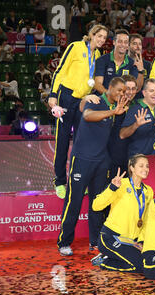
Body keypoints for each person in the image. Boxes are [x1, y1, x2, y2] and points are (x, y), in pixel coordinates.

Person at [56, 77, 129, 257]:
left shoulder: (117, 109)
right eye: (119, 90)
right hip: (82, 159)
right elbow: (87, 116)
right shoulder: (96, 100)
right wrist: (112, 112)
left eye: (124, 91)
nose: (122, 93)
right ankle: (64, 242)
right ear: (109, 88)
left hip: (101, 161)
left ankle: (95, 241)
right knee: (74, 201)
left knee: (97, 202)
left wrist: (117, 113)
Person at [49, 24, 109, 199]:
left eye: (104, 38)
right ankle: (59, 181)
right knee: (62, 141)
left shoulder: (97, 55)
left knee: (80, 143)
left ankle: (77, 181)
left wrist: (90, 96)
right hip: (66, 97)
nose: (101, 40)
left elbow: (91, 82)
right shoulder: (75, 47)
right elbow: (60, 71)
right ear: (91, 34)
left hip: (82, 101)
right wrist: (53, 94)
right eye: (99, 36)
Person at [91, 154, 154, 272]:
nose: (145, 169)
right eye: (141, 166)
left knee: (147, 262)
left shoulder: (148, 191)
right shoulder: (120, 184)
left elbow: (146, 219)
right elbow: (96, 206)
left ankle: (110, 257)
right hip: (111, 237)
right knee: (140, 266)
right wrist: (112, 188)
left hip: (131, 241)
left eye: (147, 166)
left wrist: (141, 240)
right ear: (132, 168)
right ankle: (104, 262)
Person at [120, 78, 155, 159]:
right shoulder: (135, 109)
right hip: (138, 159)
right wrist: (136, 125)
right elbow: (122, 135)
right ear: (144, 93)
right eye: (151, 91)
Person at [94, 29, 138, 95]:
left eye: (125, 42)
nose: (123, 44)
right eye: (120, 41)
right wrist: (110, 96)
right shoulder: (102, 60)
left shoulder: (132, 63)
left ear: (128, 45)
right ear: (114, 42)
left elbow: (132, 88)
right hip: (104, 100)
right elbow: (97, 84)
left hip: (122, 100)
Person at [128, 33, 151, 100]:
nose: (138, 46)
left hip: (142, 101)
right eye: (134, 43)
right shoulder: (123, 63)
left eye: (140, 44)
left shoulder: (147, 65)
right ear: (128, 45)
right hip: (126, 100)